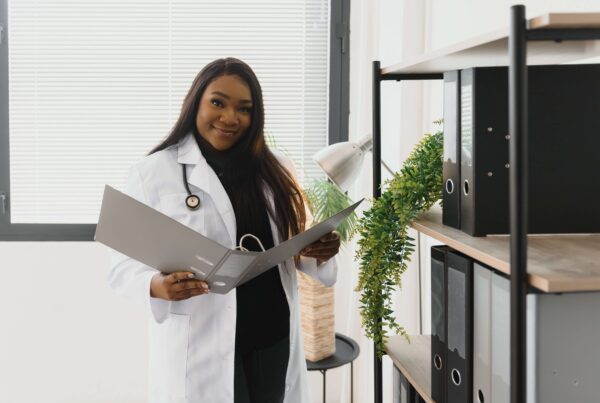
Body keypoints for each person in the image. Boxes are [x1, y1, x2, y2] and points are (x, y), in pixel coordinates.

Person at [107, 57, 341, 403]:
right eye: (218, 102)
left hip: (272, 339)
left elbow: (293, 244)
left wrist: (314, 251)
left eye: (244, 109)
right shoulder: (153, 172)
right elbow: (121, 265)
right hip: (203, 343)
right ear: (195, 102)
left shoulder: (277, 168)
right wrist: (157, 286)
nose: (230, 118)